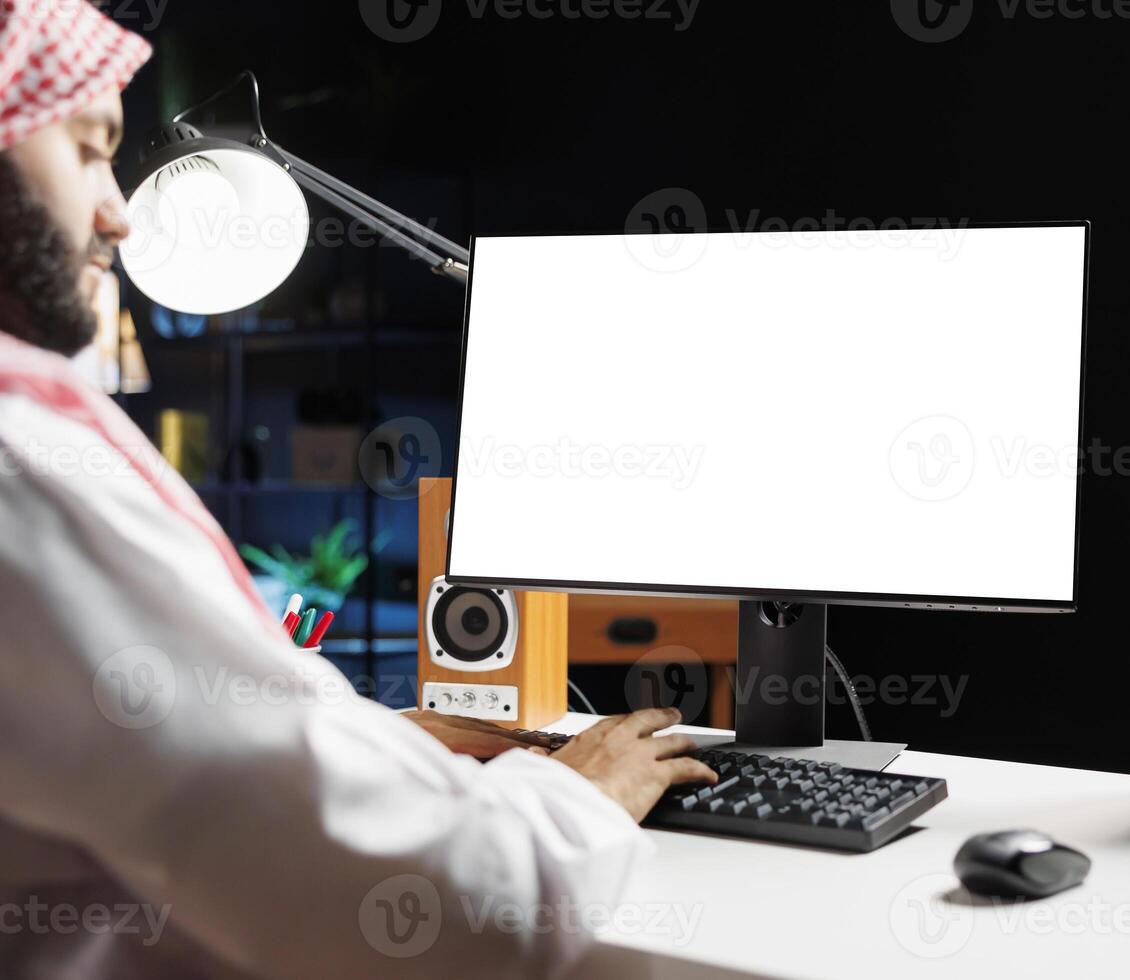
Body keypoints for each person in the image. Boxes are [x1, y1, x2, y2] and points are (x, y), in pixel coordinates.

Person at [0, 3, 715, 977]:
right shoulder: (26, 470)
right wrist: (580, 797)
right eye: (89, 152)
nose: (119, 213)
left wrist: (354, 737)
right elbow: (448, 906)